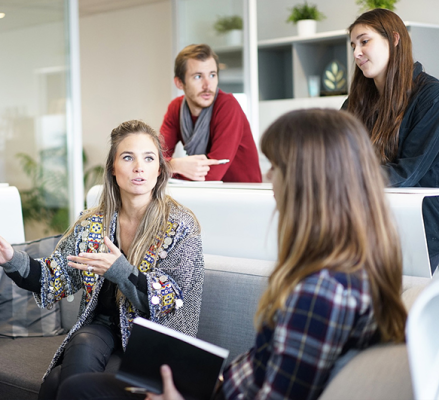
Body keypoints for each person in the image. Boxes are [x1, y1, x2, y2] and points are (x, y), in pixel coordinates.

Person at [56, 109, 408, 400]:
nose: (269, 177)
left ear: (308, 181)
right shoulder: (347, 269)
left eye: (277, 167)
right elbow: (271, 367)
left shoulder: (321, 292)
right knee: (75, 384)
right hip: (221, 387)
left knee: (78, 391)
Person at [0, 120, 205, 399]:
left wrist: (120, 271)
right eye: (128, 157)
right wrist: (10, 259)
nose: (139, 167)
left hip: (154, 339)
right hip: (102, 329)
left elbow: (168, 299)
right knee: (81, 343)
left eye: (149, 158)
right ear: (113, 170)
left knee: (58, 382)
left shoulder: (180, 224)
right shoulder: (93, 223)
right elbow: (52, 278)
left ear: (159, 170)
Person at [344, 8, 439, 274]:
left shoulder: (432, 96)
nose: (356, 53)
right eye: (353, 45)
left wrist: (342, 176)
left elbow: (407, 173)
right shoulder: (355, 103)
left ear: (394, 39)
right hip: (367, 222)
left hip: (420, 229)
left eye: (364, 41)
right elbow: (333, 155)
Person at [159, 44, 261, 183]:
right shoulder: (175, 108)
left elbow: (212, 174)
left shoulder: (227, 106)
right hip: (205, 194)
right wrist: (175, 165)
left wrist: (167, 168)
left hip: (242, 196)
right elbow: (154, 159)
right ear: (179, 83)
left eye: (212, 75)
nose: (208, 85)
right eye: (198, 76)